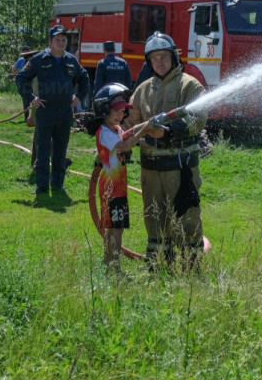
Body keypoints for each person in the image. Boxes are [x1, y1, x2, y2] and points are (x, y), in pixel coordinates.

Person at [125, 32, 207, 270]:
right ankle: (158, 265)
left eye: (163, 56)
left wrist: (168, 132)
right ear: (149, 62)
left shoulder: (189, 85)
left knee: (186, 216)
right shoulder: (142, 90)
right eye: (154, 58)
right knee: (153, 216)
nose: (159, 62)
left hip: (180, 169)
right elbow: (131, 123)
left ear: (173, 57)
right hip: (150, 170)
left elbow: (198, 118)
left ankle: (191, 266)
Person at [87, 84, 156, 271]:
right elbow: (124, 146)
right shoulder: (104, 132)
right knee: (114, 229)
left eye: (123, 111)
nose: (120, 116)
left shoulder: (114, 128)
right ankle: (113, 267)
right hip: (110, 188)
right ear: (104, 109)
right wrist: (144, 130)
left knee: (116, 227)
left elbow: (124, 135)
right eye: (116, 111)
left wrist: (143, 126)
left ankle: (110, 264)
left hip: (118, 187)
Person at [16, 25, 89, 195]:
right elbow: (21, 78)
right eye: (57, 39)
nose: (61, 42)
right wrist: (32, 98)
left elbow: (84, 78)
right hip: (46, 112)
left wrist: (78, 96)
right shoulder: (39, 59)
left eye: (64, 39)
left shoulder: (71, 60)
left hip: (64, 112)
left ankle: (58, 184)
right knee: (42, 150)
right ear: (50, 41)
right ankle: (42, 186)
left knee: (60, 150)